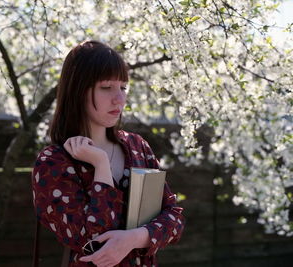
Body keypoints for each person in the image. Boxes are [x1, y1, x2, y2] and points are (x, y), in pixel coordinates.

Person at [32, 40, 185, 267]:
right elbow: (93, 241)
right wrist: (101, 166)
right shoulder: (53, 163)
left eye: (123, 87)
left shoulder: (137, 146)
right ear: (78, 90)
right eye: (106, 87)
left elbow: (174, 220)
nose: (119, 99)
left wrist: (133, 238)